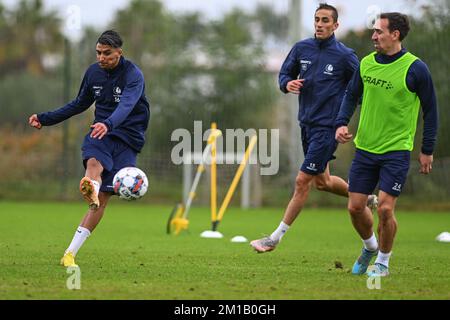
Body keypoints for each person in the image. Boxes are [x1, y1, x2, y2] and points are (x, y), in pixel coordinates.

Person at [250, 3, 377, 253]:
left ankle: (274, 238)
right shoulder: (301, 48)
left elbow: (360, 90)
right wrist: (287, 84)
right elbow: (284, 75)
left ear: (335, 25)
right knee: (324, 182)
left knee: (302, 181)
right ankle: (368, 197)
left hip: (327, 128)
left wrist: (347, 118)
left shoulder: (345, 56)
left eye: (325, 20)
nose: (319, 24)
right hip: (306, 124)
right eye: (317, 19)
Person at [29, 30, 151, 267]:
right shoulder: (93, 73)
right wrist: (45, 118)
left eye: (107, 53)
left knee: (103, 199)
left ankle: (71, 250)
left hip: (128, 137)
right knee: (94, 162)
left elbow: (127, 105)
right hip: (100, 131)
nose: (101, 58)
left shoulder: (133, 75)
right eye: (98, 53)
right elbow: (79, 104)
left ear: (119, 53)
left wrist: (109, 123)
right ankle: (90, 188)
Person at [335, 13, 438, 277]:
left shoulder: (416, 68)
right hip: (366, 148)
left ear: (396, 35)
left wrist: (427, 149)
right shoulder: (366, 64)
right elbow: (351, 95)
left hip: (396, 150)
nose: (374, 36)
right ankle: (370, 247)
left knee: (384, 208)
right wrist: (341, 122)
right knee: (355, 207)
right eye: (374, 31)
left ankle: (382, 262)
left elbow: (431, 110)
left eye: (379, 31)